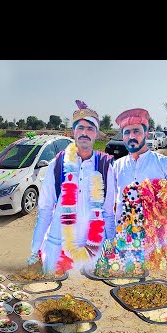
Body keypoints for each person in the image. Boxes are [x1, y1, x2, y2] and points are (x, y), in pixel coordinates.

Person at [28, 100, 115, 274]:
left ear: (96, 134)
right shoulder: (57, 164)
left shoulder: (105, 167)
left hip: (93, 252)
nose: (84, 133)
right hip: (58, 250)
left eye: (90, 129)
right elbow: (45, 210)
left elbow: (108, 213)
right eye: (80, 128)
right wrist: (34, 250)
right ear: (73, 131)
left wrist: (111, 248)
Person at [103, 108, 167, 272]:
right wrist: (109, 239)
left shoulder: (165, 165)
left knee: (151, 288)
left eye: (136, 131)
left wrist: (154, 202)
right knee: (124, 286)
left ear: (146, 133)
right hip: (123, 241)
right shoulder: (116, 167)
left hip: (154, 244)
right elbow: (109, 207)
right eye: (127, 132)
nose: (131, 136)